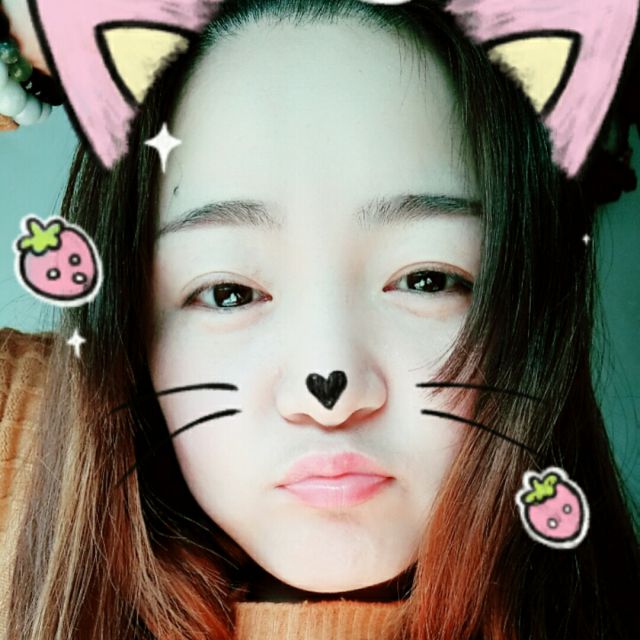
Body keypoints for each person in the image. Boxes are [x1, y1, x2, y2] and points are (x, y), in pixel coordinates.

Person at [1, 0, 638, 638]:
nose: (328, 388)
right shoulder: (29, 443)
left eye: (426, 280)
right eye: (228, 292)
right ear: (133, 330)